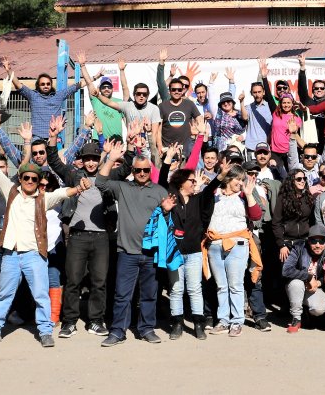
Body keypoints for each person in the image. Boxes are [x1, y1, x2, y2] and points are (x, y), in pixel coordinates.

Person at [0, 127, 92, 348]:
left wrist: (79, 188)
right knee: (4, 295)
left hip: (34, 255)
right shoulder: (11, 191)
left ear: (39, 181)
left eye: (33, 178)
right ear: (20, 178)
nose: (29, 180)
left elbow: (62, 193)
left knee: (41, 295)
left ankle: (45, 331)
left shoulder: (43, 198)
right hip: (11, 254)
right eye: (26, 177)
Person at [96, 143, 171, 347]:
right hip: (126, 252)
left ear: (150, 170)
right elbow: (100, 182)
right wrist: (111, 158)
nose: (142, 173)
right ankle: (118, 331)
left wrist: (165, 210)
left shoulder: (159, 191)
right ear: (132, 170)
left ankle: (147, 329)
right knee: (122, 295)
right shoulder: (123, 187)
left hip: (151, 253)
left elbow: (167, 224)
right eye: (138, 170)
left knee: (149, 295)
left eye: (146, 170)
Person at [41, 132, 112, 338]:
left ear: (100, 160)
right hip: (78, 236)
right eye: (87, 159)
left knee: (99, 282)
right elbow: (54, 161)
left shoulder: (107, 178)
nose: (91, 163)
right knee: (73, 280)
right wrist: (52, 138)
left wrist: (132, 144)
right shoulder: (74, 176)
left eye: (95, 159)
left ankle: (96, 321)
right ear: (82, 160)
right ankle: (69, 322)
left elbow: (125, 166)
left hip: (100, 238)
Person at [201, 164, 263, 337]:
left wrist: (250, 195)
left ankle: (236, 321)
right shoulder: (215, 194)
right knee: (221, 286)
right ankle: (223, 320)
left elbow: (257, 216)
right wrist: (219, 175)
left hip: (237, 245)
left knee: (235, 285)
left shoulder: (244, 195)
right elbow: (205, 195)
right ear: (228, 179)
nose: (240, 182)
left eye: (242, 179)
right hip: (215, 244)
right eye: (238, 178)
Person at [160, 166, 208, 340]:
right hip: (175, 251)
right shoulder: (172, 197)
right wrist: (166, 162)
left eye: (195, 181)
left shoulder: (198, 200)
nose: (194, 183)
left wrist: (222, 175)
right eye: (191, 180)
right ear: (181, 183)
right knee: (176, 289)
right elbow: (163, 179)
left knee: (195, 288)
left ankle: (198, 323)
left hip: (194, 252)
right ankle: (177, 323)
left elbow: (210, 190)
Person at [3, 56, 83, 140]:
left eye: (48, 84)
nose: (46, 86)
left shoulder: (59, 95)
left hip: (54, 137)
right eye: (43, 84)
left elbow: (77, 86)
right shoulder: (33, 95)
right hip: (37, 138)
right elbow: (18, 85)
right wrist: (9, 70)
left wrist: (93, 77)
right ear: (38, 85)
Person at [282, 224, 325, 332]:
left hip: (315, 288)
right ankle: (296, 318)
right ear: (308, 241)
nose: (318, 245)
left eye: (321, 241)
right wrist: (308, 277)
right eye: (314, 241)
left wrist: (318, 283)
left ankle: (306, 312)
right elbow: (286, 270)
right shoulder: (299, 248)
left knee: (319, 309)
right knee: (296, 284)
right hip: (297, 287)